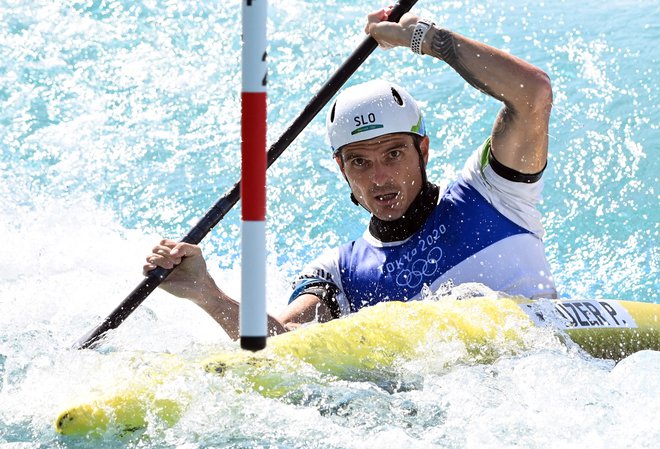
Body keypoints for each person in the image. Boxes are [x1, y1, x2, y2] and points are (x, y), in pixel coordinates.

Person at [143, 8, 556, 340]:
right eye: (359, 161)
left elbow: (532, 94)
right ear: (341, 169)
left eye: (393, 153)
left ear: (423, 150)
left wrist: (424, 38)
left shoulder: (493, 194)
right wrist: (206, 294)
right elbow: (284, 347)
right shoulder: (340, 273)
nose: (379, 177)